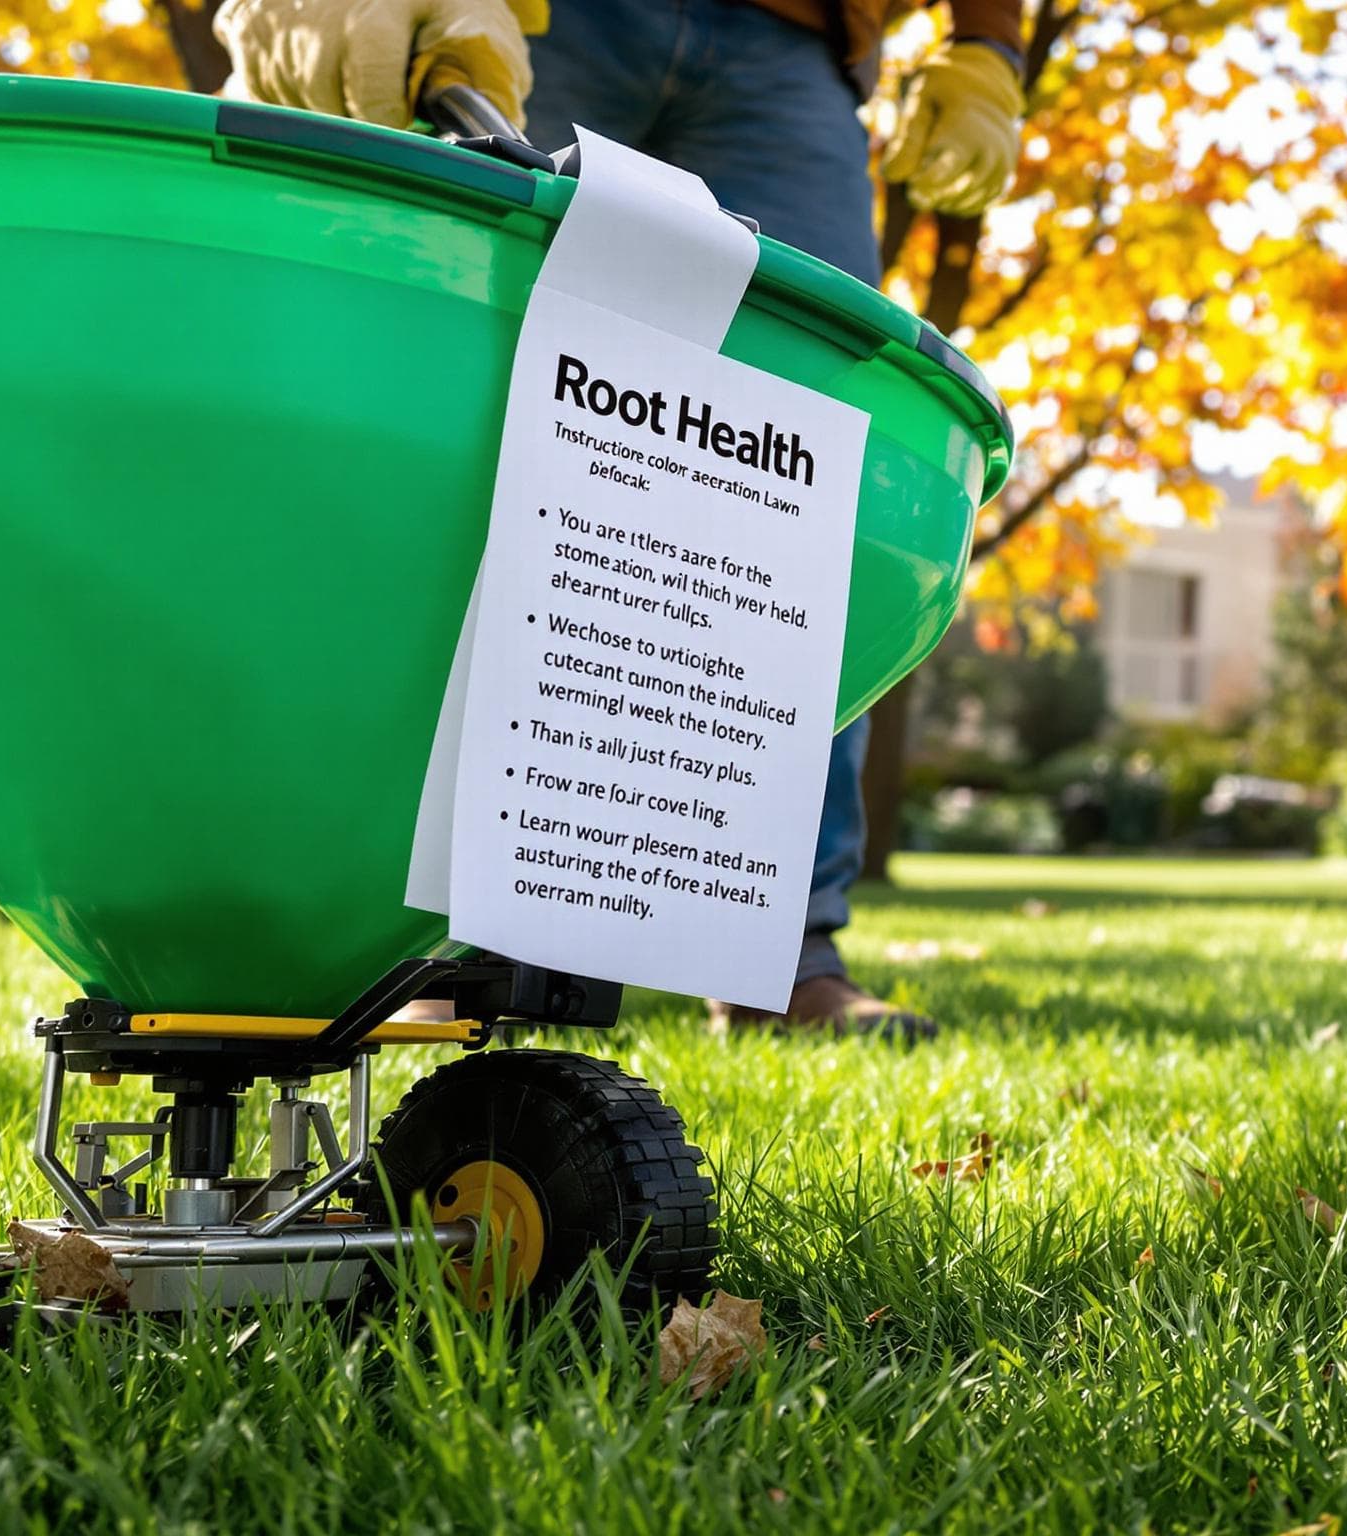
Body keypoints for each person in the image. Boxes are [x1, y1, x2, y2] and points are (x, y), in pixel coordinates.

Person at [215, 0, 1027, 1038]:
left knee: (806, 488)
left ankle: (783, 953)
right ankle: (412, 935)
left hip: (796, 43)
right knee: (464, 422)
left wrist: (990, 41)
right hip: (537, 19)